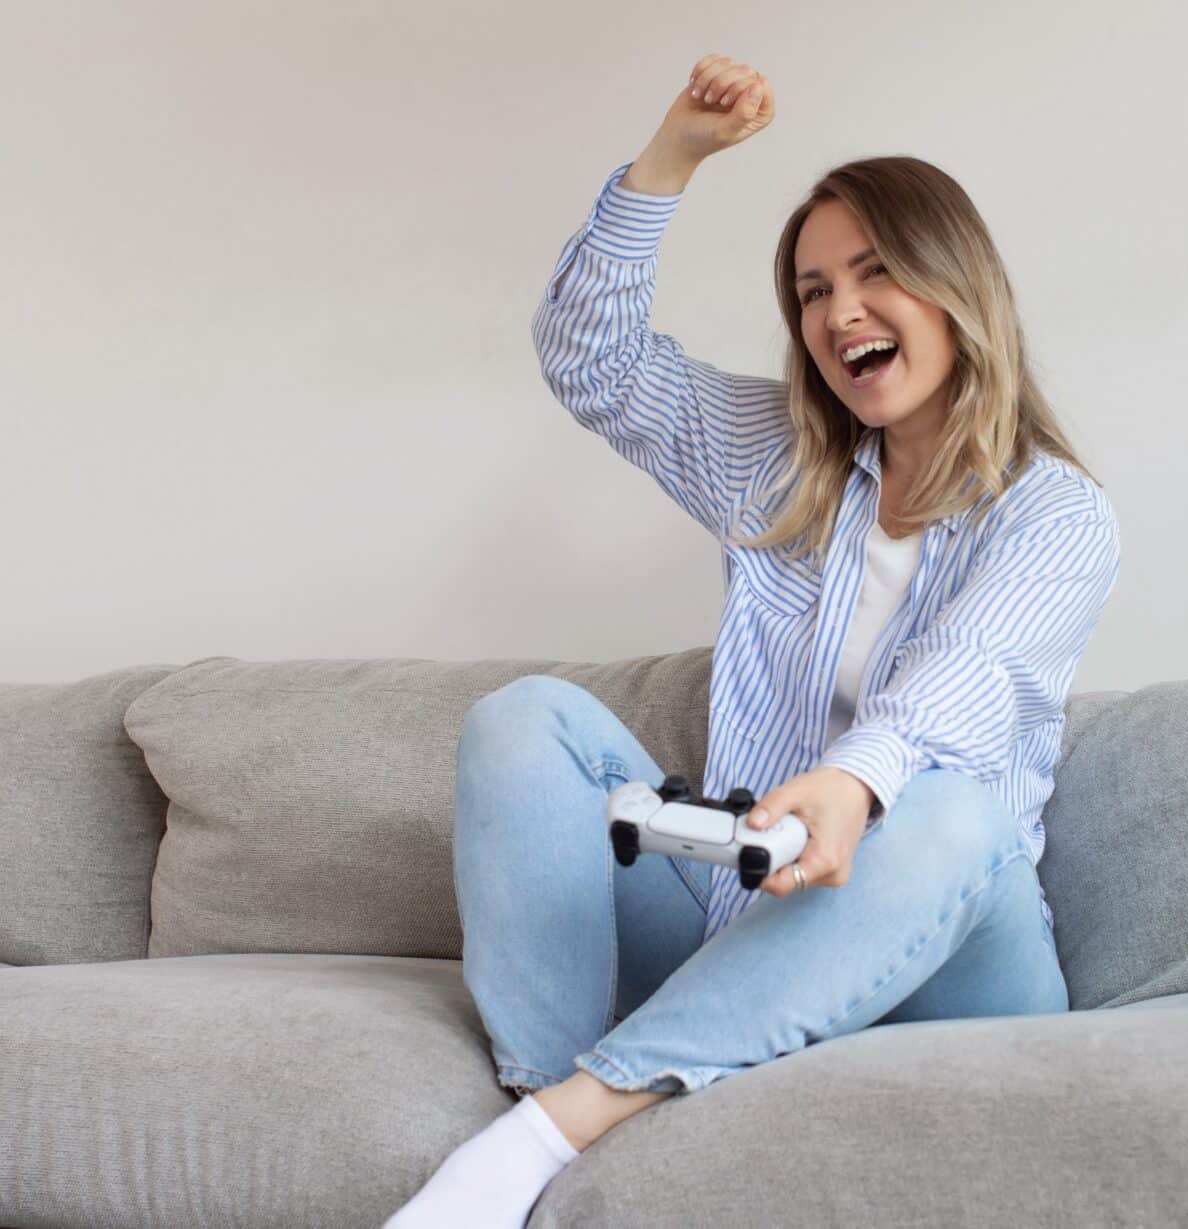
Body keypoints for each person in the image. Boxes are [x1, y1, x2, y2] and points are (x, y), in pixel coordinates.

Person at [387, 51, 1121, 1228]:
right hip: (752, 922)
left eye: (876, 272)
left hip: (944, 955)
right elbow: (592, 360)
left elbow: (968, 678)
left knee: (950, 807)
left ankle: (539, 1136)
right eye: (813, 289)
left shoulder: (1055, 511)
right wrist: (670, 157)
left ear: (958, 288)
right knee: (522, 720)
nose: (840, 312)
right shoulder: (778, 456)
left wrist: (852, 778)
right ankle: (554, 1123)